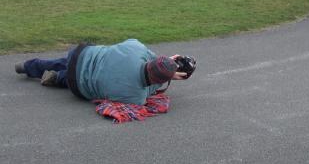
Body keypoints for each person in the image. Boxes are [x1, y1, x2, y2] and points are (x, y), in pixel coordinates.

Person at [14, 38, 188, 105]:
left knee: (61, 62)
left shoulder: (136, 48)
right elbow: (149, 88)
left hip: (82, 54)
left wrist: (168, 61)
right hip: (78, 85)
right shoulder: (137, 96)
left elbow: (149, 56)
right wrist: (169, 75)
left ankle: (30, 66)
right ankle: (58, 78)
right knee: (71, 78)